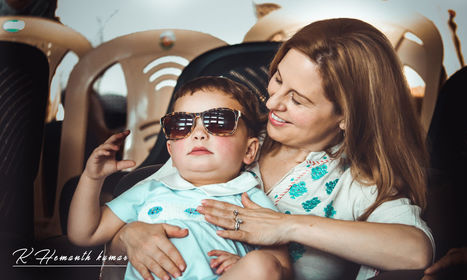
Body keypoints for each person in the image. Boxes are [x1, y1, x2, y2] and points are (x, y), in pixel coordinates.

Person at [107, 18, 434, 280]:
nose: (271, 102)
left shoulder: (358, 182)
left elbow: (414, 251)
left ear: (347, 116)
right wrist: (130, 236)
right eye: (277, 79)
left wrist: (285, 226)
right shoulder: (225, 134)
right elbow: (124, 226)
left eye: (297, 99)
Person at [67, 77, 291, 280]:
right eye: (181, 125)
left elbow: (280, 267)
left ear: (249, 151)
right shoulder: (149, 190)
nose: (198, 133)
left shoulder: (251, 200)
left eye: (219, 122)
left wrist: (244, 265)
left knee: (261, 265)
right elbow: (85, 234)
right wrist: (91, 178)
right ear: (171, 152)